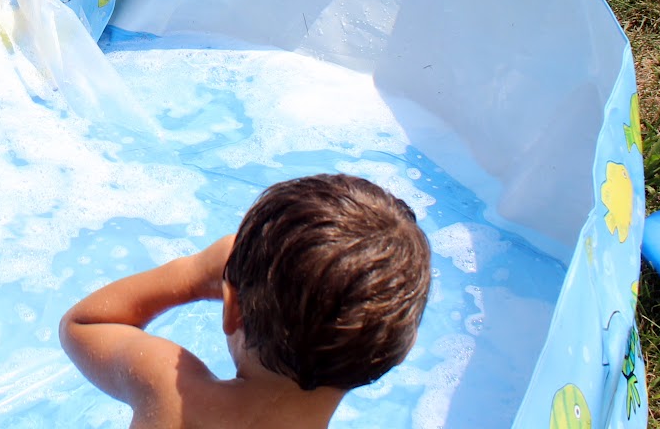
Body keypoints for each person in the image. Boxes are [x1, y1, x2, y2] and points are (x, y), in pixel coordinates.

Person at [60, 174, 432, 429]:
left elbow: (84, 325)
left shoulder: (172, 394)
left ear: (232, 308)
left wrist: (191, 275)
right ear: (402, 348)